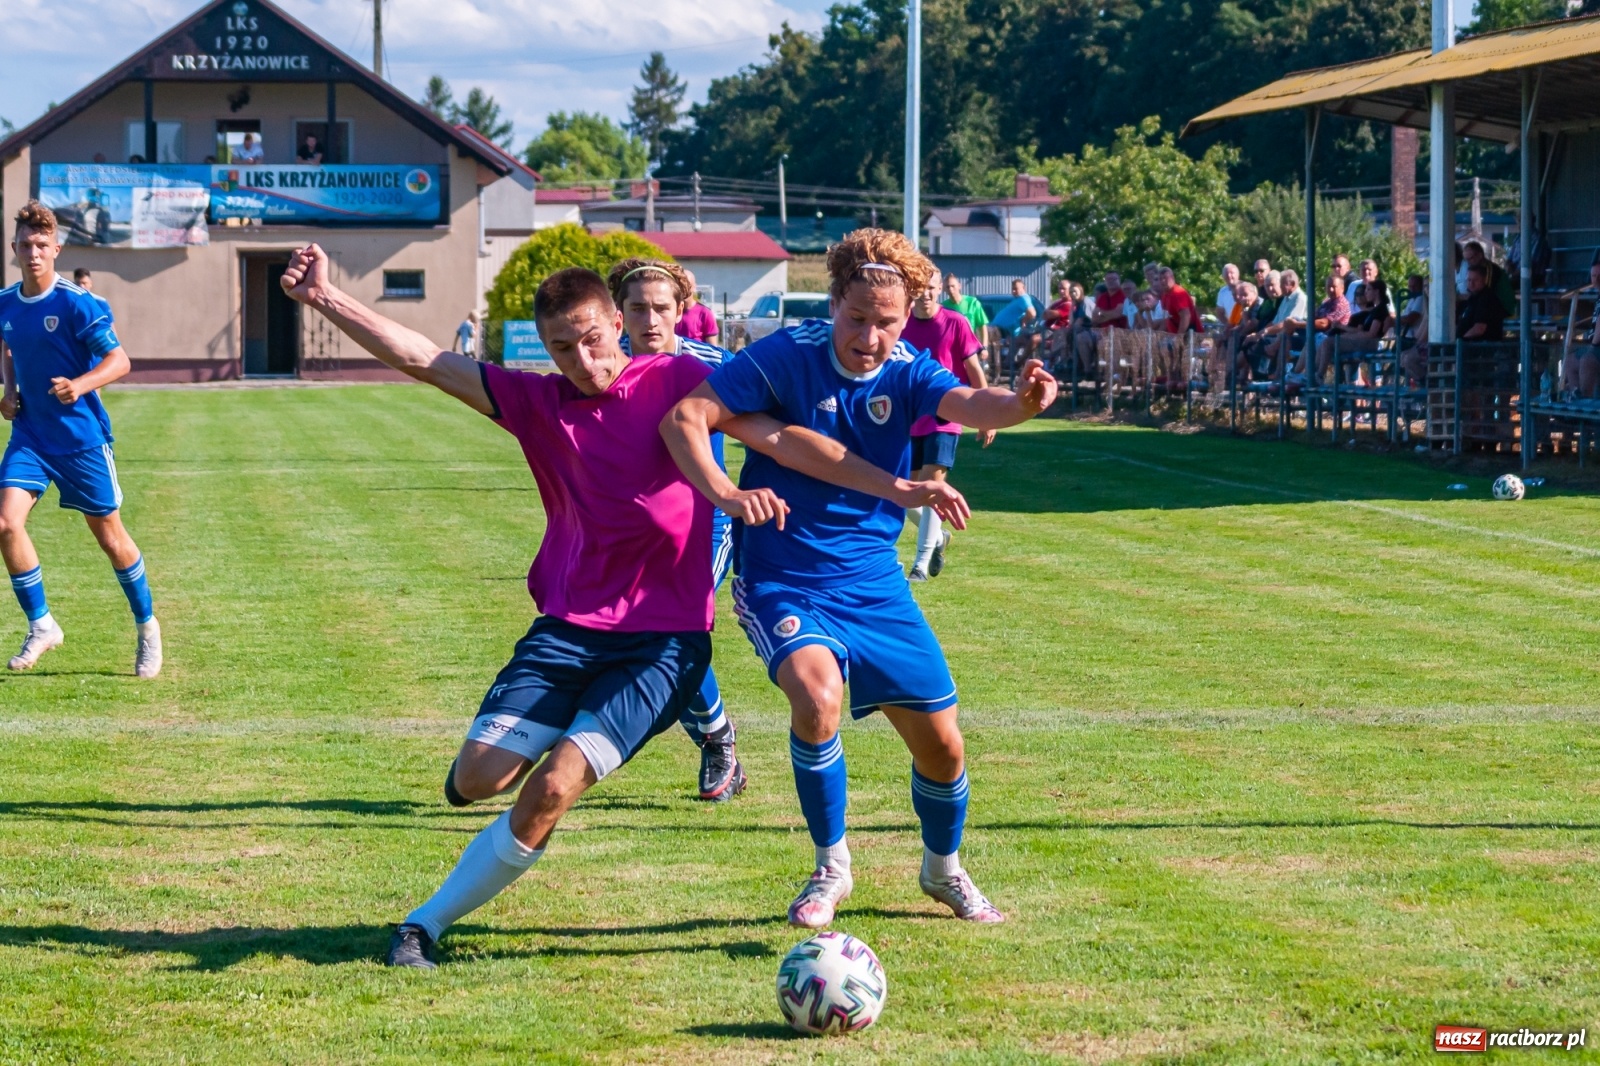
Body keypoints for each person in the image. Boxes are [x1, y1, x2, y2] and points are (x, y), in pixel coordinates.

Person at [278, 242, 961, 969]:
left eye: (593, 339)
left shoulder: (681, 379)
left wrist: (876, 487)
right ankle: (512, 756)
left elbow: (780, 436)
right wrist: (323, 298)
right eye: (561, 348)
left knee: (554, 786)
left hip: (662, 643)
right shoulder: (536, 401)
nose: (583, 359)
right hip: (566, 632)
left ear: (617, 325)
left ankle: (422, 925)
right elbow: (424, 358)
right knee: (476, 781)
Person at [660, 228, 1059, 929]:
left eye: (887, 322)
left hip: (874, 580)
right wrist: (728, 495)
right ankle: (831, 867)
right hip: (783, 571)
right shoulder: (787, 354)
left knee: (944, 745)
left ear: (906, 321)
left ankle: (943, 869)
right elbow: (686, 416)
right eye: (857, 318)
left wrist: (1024, 403)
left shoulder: (907, 370)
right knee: (817, 698)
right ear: (833, 303)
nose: (869, 337)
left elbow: (972, 404)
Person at [0, 201, 161, 677]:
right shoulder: (6, 301)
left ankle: (148, 628)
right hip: (31, 436)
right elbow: (7, 345)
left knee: (111, 539)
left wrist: (80, 384)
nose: (33, 253)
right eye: (25, 245)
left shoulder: (77, 302)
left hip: (81, 440)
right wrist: (9, 390)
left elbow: (119, 361)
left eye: (42, 245)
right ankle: (42, 625)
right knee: (6, 524)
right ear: (14, 248)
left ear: (56, 250)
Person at [606, 257, 746, 801]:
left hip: (706, 527)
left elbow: (772, 426)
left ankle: (718, 742)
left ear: (682, 310)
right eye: (637, 308)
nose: (650, 320)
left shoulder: (716, 365)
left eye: (661, 308)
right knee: (648, 639)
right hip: (632, 531)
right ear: (619, 313)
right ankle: (716, 735)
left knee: (672, 629)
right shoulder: (605, 366)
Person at [901, 270, 992, 583]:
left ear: (940, 289)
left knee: (932, 487)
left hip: (946, 417)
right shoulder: (900, 323)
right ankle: (939, 538)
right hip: (908, 418)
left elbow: (973, 368)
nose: (925, 294)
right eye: (920, 288)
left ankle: (920, 564)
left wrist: (985, 414)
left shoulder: (955, 322)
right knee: (902, 493)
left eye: (931, 288)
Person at [1559, 262, 1600, 399]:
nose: (1597, 279)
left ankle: (1586, 402)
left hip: (1597, 347)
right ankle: (1576, 398)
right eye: (1594, 276)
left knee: (1587, 359)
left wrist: (1593, 346)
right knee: (1570, 360)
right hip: (1595, 345)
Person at [991, 279, 1044, 365]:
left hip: (1001, 331)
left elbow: (1032, 313)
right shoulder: (1018, 299)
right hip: (1003, 331)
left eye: (1016, 289)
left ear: (1024, 288)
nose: (1013, 291)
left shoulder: (1024, 298)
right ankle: (1007, 364)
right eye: (1012, 289)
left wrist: (1024, 320)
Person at [1458, 262, 1507, 342]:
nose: (1471, 283)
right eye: (1469, 280)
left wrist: (1461, 342)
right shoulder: (1473, 299)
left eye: (1475, 280)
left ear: (1484, 279)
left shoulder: (1487, 299)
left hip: (1481, 347)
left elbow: (1479, 328)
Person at [1397, 274, 1430, 385]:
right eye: (1425, 286)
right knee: (1403, 357)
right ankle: (1420, 382)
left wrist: (1417, 341)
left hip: (1433, 344)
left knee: (1408, 359)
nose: (1427, 289)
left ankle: (1426, 383)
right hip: (1421, 341)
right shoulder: (1424, 302)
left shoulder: (1433, 304)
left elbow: (1426, 327)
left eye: (1429, 286)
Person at [673, 271, 719, 345]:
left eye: (688, 285)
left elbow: (713, 348)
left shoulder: (705, 314)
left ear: (694, 287)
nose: (684, 289)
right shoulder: (672, 312)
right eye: (681, 285)